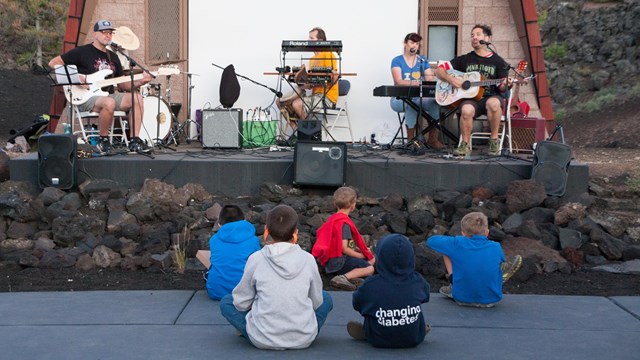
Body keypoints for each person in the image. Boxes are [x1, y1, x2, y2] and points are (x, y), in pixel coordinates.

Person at [219, 205, 333, 350]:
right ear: (295, 233)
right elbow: (317, 302)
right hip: (303, 338)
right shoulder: (308, 259)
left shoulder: (256, 259)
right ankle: (301, 329)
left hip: (262, 338)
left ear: (266, 230)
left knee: (227, 302)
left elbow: (241, 303)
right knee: (326, 298)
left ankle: (252, 328)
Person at [48, 19, 153, 154]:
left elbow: (121, 84)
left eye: (109, 33)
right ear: (95, 34)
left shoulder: (114, 57)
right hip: (86, 96)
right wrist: (76, 78)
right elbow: (53, 63)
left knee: (137, 98)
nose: (107, 35)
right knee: (109, 102)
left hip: (107, 94)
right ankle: (102, 141)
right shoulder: (82, 52)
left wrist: (141, 82)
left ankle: (134, 141)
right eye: (103, 32)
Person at [435, 24, 511, 156]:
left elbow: (501, 87)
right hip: (471, 99)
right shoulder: (465, 59)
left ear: (487, 38)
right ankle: (464, 144)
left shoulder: (498, 61)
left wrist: (508, 84)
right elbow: (440, 69)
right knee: (466, 110)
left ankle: (493, 140)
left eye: (477, 34)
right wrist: (451, 79)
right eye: (472, 35)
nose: (474, 38)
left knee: (493, 104)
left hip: (490, 97)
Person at [349, 234, 431, 348]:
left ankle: (367, 331)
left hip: (378, 339)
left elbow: (357, 303)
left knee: (371, 307)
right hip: (414, 338)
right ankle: (414, 328)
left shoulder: (371, 285)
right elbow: (426, 297)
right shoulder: (418, 281)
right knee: (415, 307)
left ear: (380, 258)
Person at [426, 212, 522, 308]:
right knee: (493, 263)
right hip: (491, 300)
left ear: (463, 233)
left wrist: (453, 240)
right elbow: (501, 260)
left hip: (462, 299)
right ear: (487, 233)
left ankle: (454, 283)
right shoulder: (496, 246)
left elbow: (431, 241)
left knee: (446, 250)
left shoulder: (457, 243)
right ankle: (497, 277)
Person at [312, 186, 375, 291]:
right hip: (339, 263)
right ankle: (343, 278)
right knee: (370, 266)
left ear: (335, 203)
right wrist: (360, 255)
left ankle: (352, 276)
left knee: (367, 259)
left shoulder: (331, 220)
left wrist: (359, 251)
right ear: (353, 205)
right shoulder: (344, 223)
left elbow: (344, 244)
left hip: (329, 261)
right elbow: (344, 248)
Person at [280, 27, 339, 133]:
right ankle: (297, 131)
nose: (308, 40)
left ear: (320, 41)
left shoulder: (329, 54)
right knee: (281, 102)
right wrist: (300, 81)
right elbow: (312, 84)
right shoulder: (312, 60)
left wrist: (333, 77)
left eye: (311, 38)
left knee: (297, 104)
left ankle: (308, 133)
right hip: (315, 96)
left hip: (327, 97)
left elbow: (332, 78)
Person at [390, 32, 443, 149]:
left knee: (434, 102)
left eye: (417, 43)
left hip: (418, 97)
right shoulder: (397, 60)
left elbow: (429, 79)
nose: (414, 45)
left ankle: (432, 139)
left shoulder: (422, 60)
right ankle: (411, 140)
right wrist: (418, 83)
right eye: (412, 42)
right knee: (412, 103)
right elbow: (398, 81)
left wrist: (433, 75)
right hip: (400, 99)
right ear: (405, 43)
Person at [205, 205, 260, 301]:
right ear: (245, 221)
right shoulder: (253, 241)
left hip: (216, 291)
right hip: (244, 294)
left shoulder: (214, 240)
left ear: (219, 225)